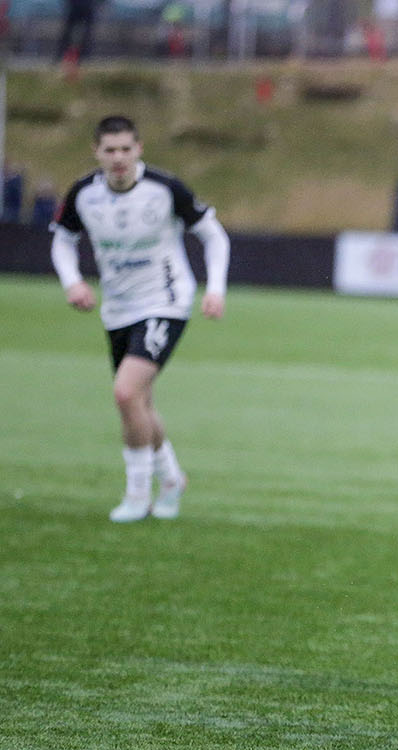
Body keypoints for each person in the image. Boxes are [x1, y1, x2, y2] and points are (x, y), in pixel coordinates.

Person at [49, 115, 230, 522]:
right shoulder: (83, 193)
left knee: (125, 393)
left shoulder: (165, 189)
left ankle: (137, 494)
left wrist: (215, 288)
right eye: (110, 150)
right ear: (96, 152)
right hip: (117, 309)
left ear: (139, 149)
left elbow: (213, 235)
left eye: (125, 149)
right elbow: (62, 241)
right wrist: (72, 282)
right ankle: (172, 479)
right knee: (139, 405)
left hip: (165, 301)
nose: (118, 158)